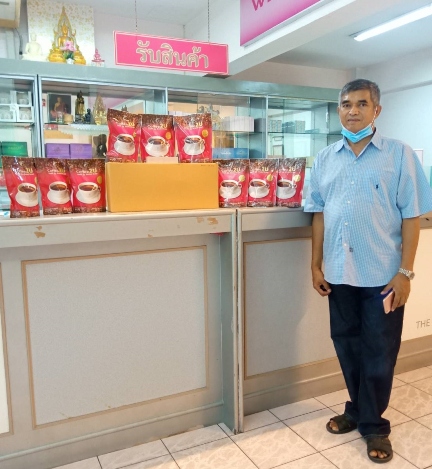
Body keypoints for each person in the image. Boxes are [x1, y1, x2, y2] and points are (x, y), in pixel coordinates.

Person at [304, 79, 432, 464]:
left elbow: (412, 217)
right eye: (346, 104)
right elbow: (319, 214)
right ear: (338, 110)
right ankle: (358, 409)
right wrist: (315, 264)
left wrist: (406, 273)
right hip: (339, 273)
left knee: (379, 351)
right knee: (347, 345)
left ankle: (375, 425)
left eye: (362, 103)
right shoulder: (325, 158)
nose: (353, 110)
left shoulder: (399, 155)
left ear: (377, 110)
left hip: (382, 275)